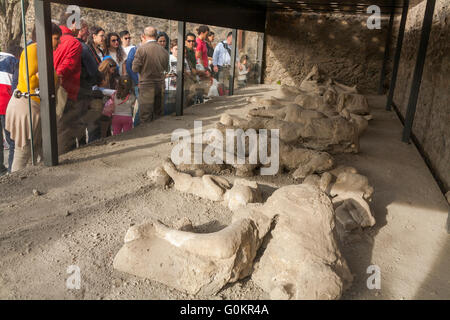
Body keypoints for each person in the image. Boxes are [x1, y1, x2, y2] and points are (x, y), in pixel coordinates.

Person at [5, 23, 61, 172]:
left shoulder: (40, 51)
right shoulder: (33, 50)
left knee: (34, 151)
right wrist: (48, 77)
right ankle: (16, 186)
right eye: (56, 38)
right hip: (28, 107)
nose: (59, 42)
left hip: (34, 106)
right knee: (23, 152)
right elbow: (31, 81)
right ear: (46, 37)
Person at [53, 12, 84, 156]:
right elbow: (67, 66)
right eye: (79, 24)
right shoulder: (74, 42)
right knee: (65, 129)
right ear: (73, 24)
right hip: (66, 91)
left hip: (49, 88)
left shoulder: (51, 38)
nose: (80, 28)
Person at [132, 26, 169, 122]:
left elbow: (134, 68)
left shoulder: (141, 49)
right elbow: (166, 68)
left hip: (146, 84)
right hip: (160, 84)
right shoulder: (164, 51)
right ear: (156, 36)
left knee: (145, 116)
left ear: (143, 36)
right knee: (158, 114)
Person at [0, 45, 21, 175]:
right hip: (6, 105)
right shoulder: (14, 61)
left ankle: (0, 171)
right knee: (12, 141)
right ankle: (11, 172)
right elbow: (16, 86)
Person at [126, 33, 145, 127]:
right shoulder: (134, 50)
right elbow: (129, 66)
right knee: (142, 106)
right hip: (140, 83)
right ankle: (136, 127)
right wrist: (137, 81)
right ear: (142, 37)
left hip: (147, 83)